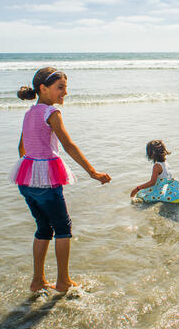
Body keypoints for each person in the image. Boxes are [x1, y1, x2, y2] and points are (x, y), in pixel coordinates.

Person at [10, 67, 111, 292]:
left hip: (26, 179)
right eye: (60, 88)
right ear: (43, 89)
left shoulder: (29, 113)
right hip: (45, 179)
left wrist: (30, 172)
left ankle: (37, 281)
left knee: (43, 229)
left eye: (65, 88)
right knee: (63, 229)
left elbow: (21, 147)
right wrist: (93, 172)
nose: (64, 92)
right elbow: (68, 145)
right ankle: (63, 281)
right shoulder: (51, 113)